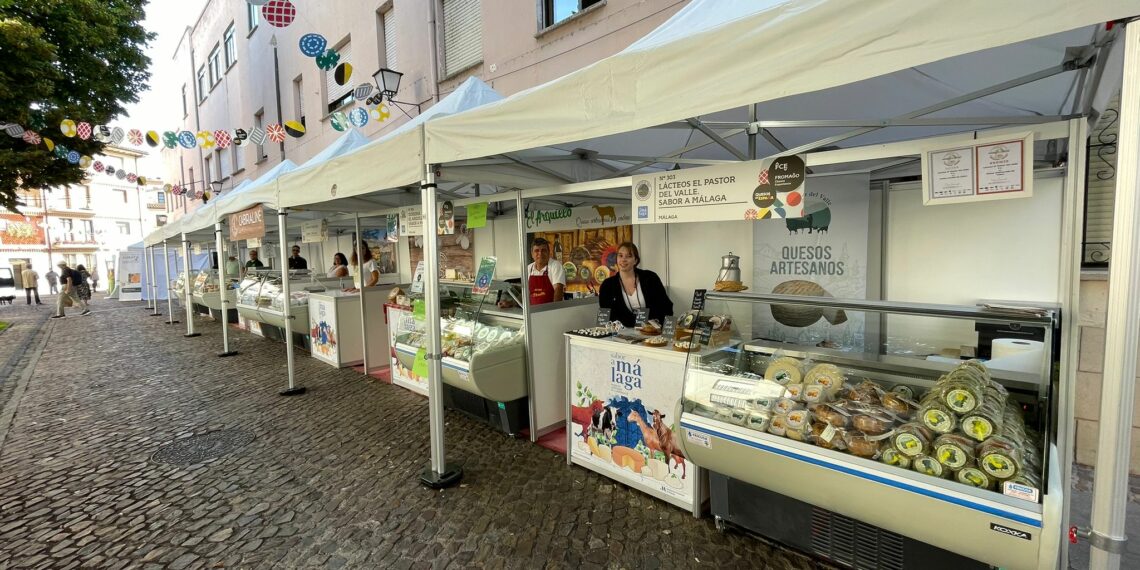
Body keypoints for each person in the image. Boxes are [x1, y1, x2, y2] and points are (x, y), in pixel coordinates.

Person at [598, 242, 673, 327]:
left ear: (635, 260)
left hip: (651, 331)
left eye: (628, 256)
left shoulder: (650, 278)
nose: (623, 259)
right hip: (621, 333)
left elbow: (666, 306)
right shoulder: (607, 285)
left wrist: (656, 325)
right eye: (620, 256)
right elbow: (606, 316)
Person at [525, 237, 565, 306]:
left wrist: (554, 309)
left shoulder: (555, 266)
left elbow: (558, 290)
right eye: (536, 251)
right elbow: (525, 293)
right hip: (532, 310)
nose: (540, 253)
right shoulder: (528, 268)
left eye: (543, 250)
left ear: (548, 252)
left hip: (550, 310)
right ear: (532, 254)